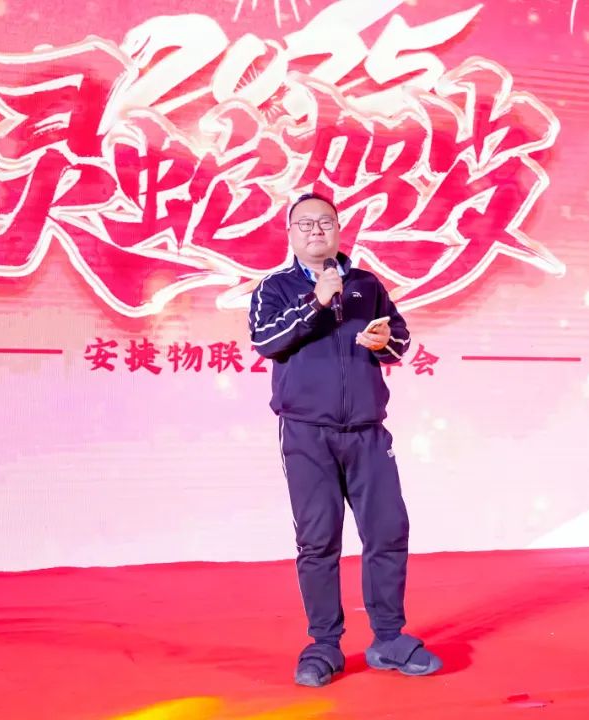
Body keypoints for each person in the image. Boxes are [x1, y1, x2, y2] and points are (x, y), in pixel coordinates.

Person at [248, 192, 443, 687]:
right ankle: (324, 645)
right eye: (306, 224)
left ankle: (388, 638)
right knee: (318, 540)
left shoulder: (366, 285)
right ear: (290, 234)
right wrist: (317, 301)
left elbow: (400, 341)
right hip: (306, 433)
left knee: (388, 530)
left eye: (326, 222)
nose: (317, 230)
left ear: (338, 230)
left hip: (368, 431)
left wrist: (383, 342)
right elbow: (267, 340)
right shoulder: (275, 287)